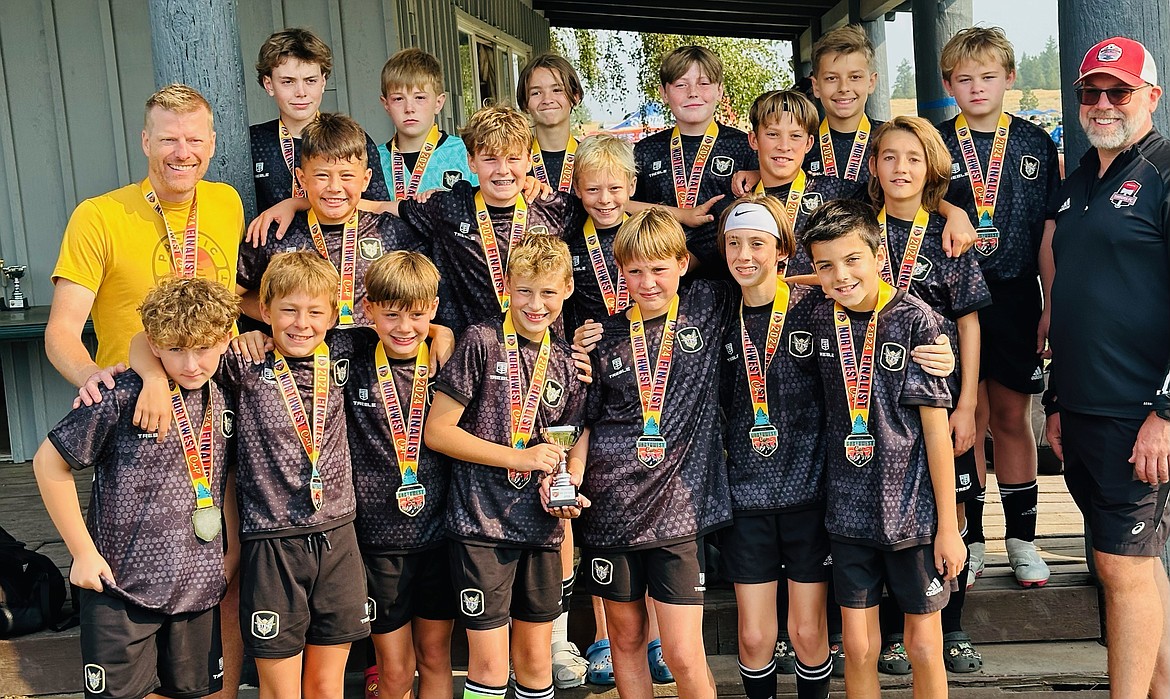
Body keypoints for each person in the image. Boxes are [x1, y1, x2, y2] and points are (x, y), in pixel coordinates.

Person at [46, 84, 245, 698]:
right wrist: (103, 383)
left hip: (209, 410)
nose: (181, 153)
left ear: (212, 145)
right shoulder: (99, 215)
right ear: (144, 142)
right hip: (135, 424)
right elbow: (60, 332)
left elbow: (217, 308)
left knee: (211, 601)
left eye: (194, 141)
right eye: (168, 140)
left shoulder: (226, 203)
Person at [136, 251, 370, 699]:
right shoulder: (242, 360)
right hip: (272, 542)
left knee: (327, 685)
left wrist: (438, 333)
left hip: (338, 536)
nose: (302, 323)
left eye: (315, 311)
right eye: (288, 310)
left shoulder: (346, 349)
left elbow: (405, 332)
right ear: (265, 311)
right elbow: (148, 340)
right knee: (280, 691)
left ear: (333, 312)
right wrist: (149, 378)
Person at [35, 277, 240, 699]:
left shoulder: (224, 399)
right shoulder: (119, 396)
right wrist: (82, 553)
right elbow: (47, 463)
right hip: (119, 587)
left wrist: (231, 550)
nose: (190, 364)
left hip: (195, 589)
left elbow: (228, 479)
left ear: (223, 341)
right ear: (154, 343)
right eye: (176, 349)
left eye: (202, 349)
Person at [1044, 36, 1170, 699]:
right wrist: (1058, 399)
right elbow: (1074, 296)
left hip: (1140, 411)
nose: (1101, 103)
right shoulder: (1078, 182)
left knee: (1120, 569)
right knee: (1135, 567)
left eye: (1118, 91)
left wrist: (1166, 413)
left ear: (1151, 95)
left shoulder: (1166, 171)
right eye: (1090, 92)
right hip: (1086, 408)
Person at [800, 199, 965, 698]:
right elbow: (788, 283)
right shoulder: (818, 315)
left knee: (922, 646)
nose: (840, 276)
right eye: (825, 266)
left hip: (913, 516)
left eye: (853, 260)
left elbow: (937, 435)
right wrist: (818, 277)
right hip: (848, 515)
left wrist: (947, 527)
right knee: (858, 645)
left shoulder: (917, 322)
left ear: (879, 255)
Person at [575, 207, 733, 699]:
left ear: (684, 264)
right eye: (635, 270)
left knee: (684, 653)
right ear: (620, 271)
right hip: (612, 510)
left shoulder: (708, 305)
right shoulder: (602, 338)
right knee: (624, 639)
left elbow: (774, 272)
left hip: (678, 516)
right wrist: (571, 480)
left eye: (659, 268)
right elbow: (585, 423)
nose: (647, 282)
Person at [424, 234, 587, 699]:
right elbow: (439, 431)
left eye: (548, 292)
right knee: (491, 665)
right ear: (506, 286)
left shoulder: (565, 362)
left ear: (568, 290)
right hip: (481, 524)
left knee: (537, 664)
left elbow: (572, 439)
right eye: (525, 291)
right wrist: (519, 458)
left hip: (539, 527)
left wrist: (568, 483)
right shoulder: (481, 341)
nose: (536, 304)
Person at [937, 27, 1062, 600]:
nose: (977, 87)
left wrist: (1050, 304)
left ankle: (1023, 539)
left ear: (1010, 78)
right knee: (970, 420)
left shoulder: (1036, 143)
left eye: (988, 76)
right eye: (964, 78)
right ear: (947, 85)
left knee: (1013, 417)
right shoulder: (936, 143)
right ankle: (973, 536)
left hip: (1014, 295)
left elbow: (1047, 234)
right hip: (954, 301)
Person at [868, 116, 992, 674]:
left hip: (938, 400)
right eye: (889, 157)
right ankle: (897, 628)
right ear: (873, 167)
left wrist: (967, 403)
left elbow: (968, 323)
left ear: (931, 168)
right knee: (890, 510)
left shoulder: (948, 237)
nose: (901, 168)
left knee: (953, 506)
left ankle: (955, 622)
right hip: (870, 400)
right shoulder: (857, 231)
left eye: (913, 159)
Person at [334, 251, 455, 699]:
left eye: (419, 316)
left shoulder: (451, 358)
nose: (405, 328)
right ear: (368, 310)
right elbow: (299, 333)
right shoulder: (352, 352)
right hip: (377, 545)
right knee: (396, 672)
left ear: (434, 310)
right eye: (391, 316)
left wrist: (443, 333)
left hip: (439, 538)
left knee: (436, 660)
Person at [389, 104, 577, 338]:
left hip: (543, 358)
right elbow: (382, 208)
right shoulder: (451, 207)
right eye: (490, 159)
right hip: (473, 357)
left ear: (529, 161)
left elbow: (609, 212)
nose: (502, 170)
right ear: (471, 162)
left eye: (513, 158)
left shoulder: (556, 207)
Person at [237, 112, 421, 327]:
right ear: (302, 178)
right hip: (300, 358)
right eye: (322, 176)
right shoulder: (275, 234)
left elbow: (422, 300)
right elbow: (228, 295)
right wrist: (277, 319)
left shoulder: (393, 233)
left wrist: (437, 331)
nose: (334, 187)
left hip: (374, 357)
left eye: (347, 176)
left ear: (366, 180)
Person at [630, 45, 758, 277]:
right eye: (681, 84)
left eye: (704, 83)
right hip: (660, 276)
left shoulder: (744, 146)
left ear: (719, 91)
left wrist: (759, 174)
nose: (693, 92)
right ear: (663, 93)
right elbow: (623, 205)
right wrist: (680, 214)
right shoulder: (646, 150)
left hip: (730, 277)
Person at [250, 27, 389, 211]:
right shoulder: (253, 142)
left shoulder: (351, 138)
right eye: (288, 82)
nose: (301, 93)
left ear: (323, 82)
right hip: (275, 239)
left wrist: (295, 205)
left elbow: (379, 207)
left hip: (344, 239)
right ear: (269, 84)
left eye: (310, 81)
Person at [377, 48, 476, 200]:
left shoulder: (465, 153)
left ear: (438, 102)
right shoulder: (374, 160)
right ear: (386, 105)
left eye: (420, 98)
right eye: (398, 99)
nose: (409, 109)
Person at [518, 53, 585, 193]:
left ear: (575, 96)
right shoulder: (514, 161)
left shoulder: (592, 158)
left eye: (557, 90)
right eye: (536, 93)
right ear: (525, 103)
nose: (547, 99)